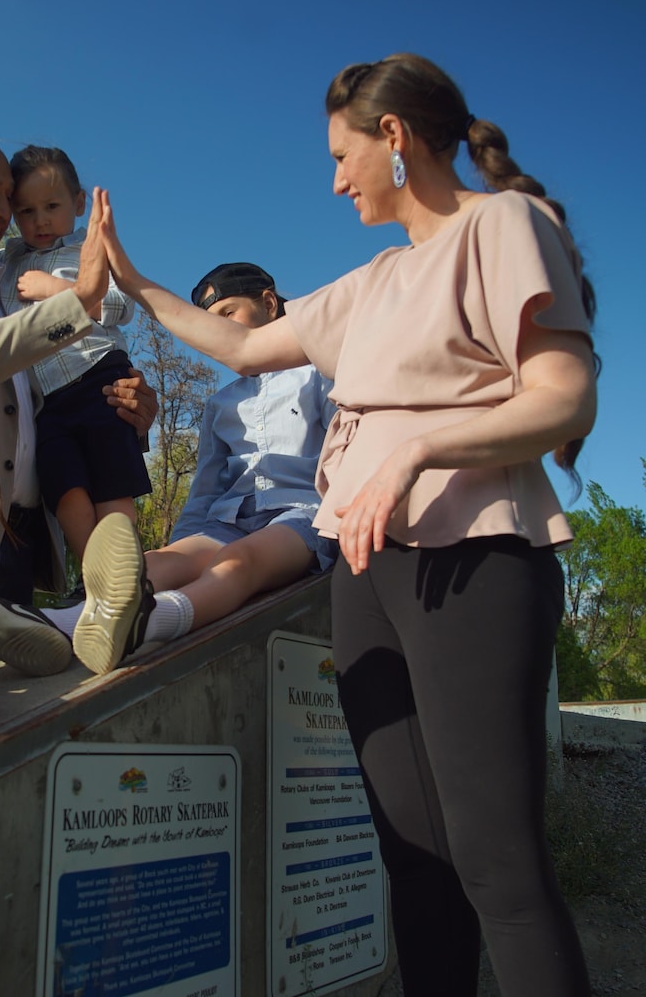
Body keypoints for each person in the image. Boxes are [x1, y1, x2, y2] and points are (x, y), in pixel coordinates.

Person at [94, 54, 597, 996]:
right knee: (412, 851)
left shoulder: (503, 225)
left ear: (395, 138)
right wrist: (133, 282)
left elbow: (565, 397)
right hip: (369, 577)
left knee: (499, 866)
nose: (333, 179)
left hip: (477, 561)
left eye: (341, 154)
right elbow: (241, 344)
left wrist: (412, 452)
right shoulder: (367, 283)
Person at [0, 128, 157, 607]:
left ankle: (121, 585)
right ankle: (108, 587)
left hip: (26, 529)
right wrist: (76, 302)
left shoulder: (4, 273)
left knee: (110, 486)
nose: (6, 211)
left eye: (6, 196)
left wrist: (134, 406)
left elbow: (117, 307)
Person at [48, 262, 337, 675]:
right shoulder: (221, 404)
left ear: (269, 304)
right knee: (158, 561)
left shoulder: (319, 376)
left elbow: (345, 454)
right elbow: (204, 488)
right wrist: (185, 543)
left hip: (301, 515)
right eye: (209, 322)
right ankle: (60, 626)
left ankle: (150, 623)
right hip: (231, 519)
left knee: (240, 562)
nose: (217, 330)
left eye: (228, 314)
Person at [0, 145, 150, 562]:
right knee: (64, 488)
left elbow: (122, 306)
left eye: (51, 205)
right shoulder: (9, 260)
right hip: (43, 403)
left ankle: (127, 570)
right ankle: (96, 579)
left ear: (79, 203)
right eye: (26, 211)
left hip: (98, 379)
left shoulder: (89, 249)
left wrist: (61, 292)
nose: (40, 220)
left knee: (111, 484)